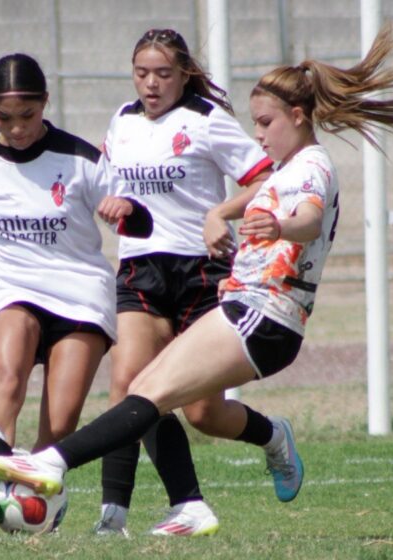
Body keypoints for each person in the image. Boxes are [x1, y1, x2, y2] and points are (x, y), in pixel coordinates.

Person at [0, 24, 393, 528]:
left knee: (182, 404)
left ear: (296, 116)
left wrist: (265, 223)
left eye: (265, 123)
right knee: (142, 387)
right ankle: (140, 509)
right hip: (180, 281)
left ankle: (55, 462)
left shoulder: (301, 163)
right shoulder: (128, 123)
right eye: (141, 73)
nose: (257, 134)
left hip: (246, 303)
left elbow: (308, 217)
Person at [0, 53, 152, 534]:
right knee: (6, 380)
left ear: (45, 103)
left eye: (28, 115)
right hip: (12, 286)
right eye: (4, 117)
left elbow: (141, 224)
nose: (18, 128)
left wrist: (125, 206)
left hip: (80, 293)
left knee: (59, 426)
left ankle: (37, 509)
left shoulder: (81, 159)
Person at [92, 28, 273, 537]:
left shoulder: (206, 121)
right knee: (129, 388)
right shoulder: (123, 122)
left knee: (202, 412)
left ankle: (273, 437)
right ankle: (115, 518)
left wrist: (221, 211)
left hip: (201, 271)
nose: (151, 84)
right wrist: (118, 207)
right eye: (142, 73)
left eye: (163, 74)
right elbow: (115, 193)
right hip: (141, 268)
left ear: (184, 74)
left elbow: (264, 180)